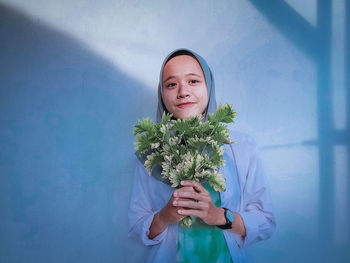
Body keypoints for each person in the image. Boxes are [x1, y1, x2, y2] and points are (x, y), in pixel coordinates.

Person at [128, 48, 276, 263]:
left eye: (193, 81)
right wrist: (164, 216)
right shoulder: (150, 155)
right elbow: (137, 227)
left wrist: (219, 215)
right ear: (162, 94)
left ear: (209, 86)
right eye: (171, 84)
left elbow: (266, 221)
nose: (183, 91)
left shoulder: (241, 147)